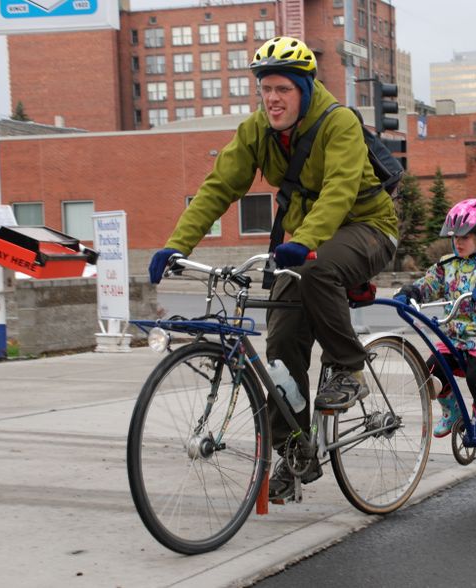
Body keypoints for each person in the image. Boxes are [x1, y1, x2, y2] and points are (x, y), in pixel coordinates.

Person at [147, 36, 399, 501]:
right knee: (282, 344)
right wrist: (175, 246)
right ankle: (294, 452)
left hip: (368, 227)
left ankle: (349, 368)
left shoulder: (337, 122)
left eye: (283, 88)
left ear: (304, 88)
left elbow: (340, 191)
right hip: (302, 244)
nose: (273, 98)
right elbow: (217, 188)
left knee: (318, 272)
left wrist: (303, 241)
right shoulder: (257, 131)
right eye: (265, 89)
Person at [394, 199, 476, 462]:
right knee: (429, 372)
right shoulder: (448, 264)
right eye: (455, 237)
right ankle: (453, 411)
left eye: (466, 237)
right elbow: (429, 282)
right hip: (455, 337)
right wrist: (411, 292)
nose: (458, 242)